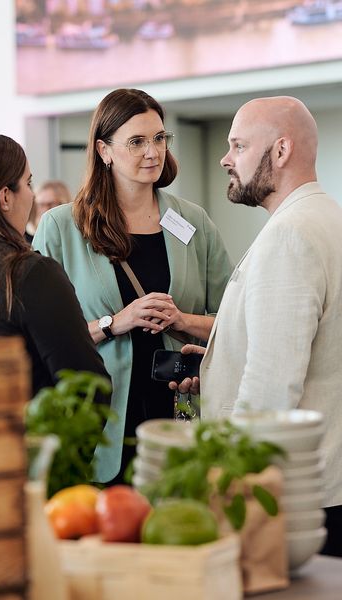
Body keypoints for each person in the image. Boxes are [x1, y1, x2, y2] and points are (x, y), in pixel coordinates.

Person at [33, 87, 233, 484]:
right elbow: (38, 342)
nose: (152, 152)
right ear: (104, 150)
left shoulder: (192, 221)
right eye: (137, 141)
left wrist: (183, 323)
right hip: (100, 419)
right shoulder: (60, 227)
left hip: (180, 408)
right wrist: (114, 323)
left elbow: (234, 319)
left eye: (159, 138)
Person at [170, 96, 342, 557]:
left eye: (239, 145)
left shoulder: (290, 235)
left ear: (281, 152)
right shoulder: (329, 219)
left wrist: (227, 483)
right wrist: (217, 363)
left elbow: (271, 384)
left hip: (295, 495)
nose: (226, 158)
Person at [0, 132, 110, 402]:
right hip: (23, 443)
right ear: (5, 196)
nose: (32, 195)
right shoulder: (31, 274)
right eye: (28, 183)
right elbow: (89, 390)